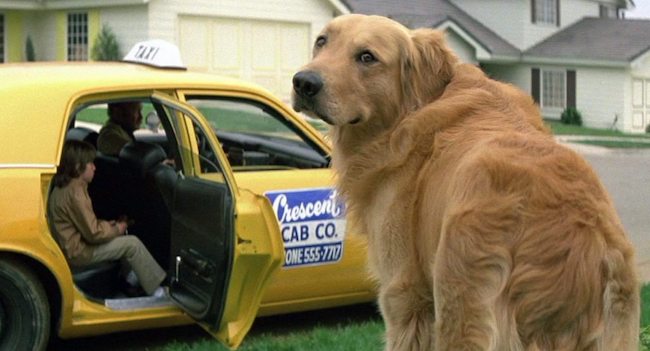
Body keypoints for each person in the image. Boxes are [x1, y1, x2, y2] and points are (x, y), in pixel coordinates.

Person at [49, 140, 166, 297]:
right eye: (90, 163)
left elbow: (86, 225)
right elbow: (94, 233)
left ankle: (130, 280)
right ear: (78, 167)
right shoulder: (76, 194)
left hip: (71, 246)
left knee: (122, 238)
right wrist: (117, 228)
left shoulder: (65, 187)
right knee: (132, 244)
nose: (94, 167)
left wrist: (109, 225)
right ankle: (157, 290)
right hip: (79, 252)